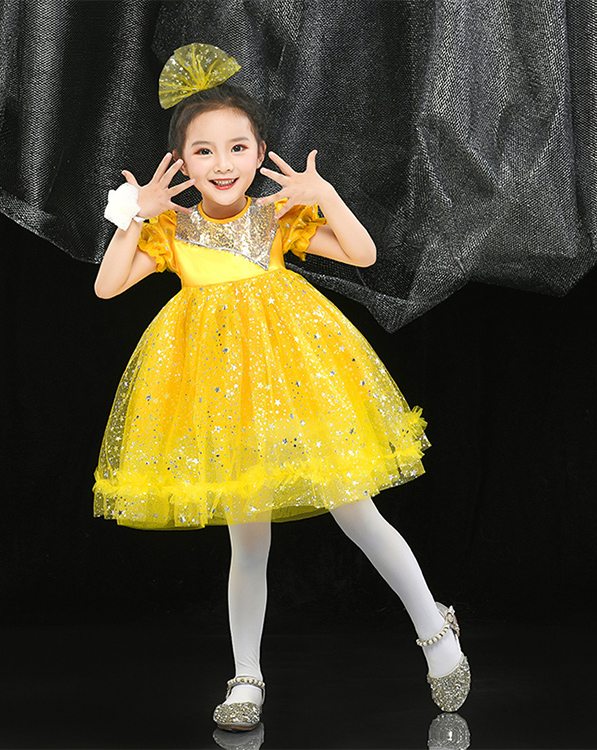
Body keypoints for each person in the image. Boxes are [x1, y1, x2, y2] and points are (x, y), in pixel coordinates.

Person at [93, 43, 471, 732]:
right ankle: (246, 677)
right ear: (181, 163)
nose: (223, 164)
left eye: (238, 148)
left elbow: (362, 253)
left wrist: (326, 196)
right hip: (221, 399)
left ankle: (432, 624)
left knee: (356, 511)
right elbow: (107, 285)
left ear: (261, 152)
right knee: (248, 542)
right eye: (204, 152)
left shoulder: (274, 217)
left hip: (293, 383)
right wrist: (135, 215)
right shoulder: (172, 228)